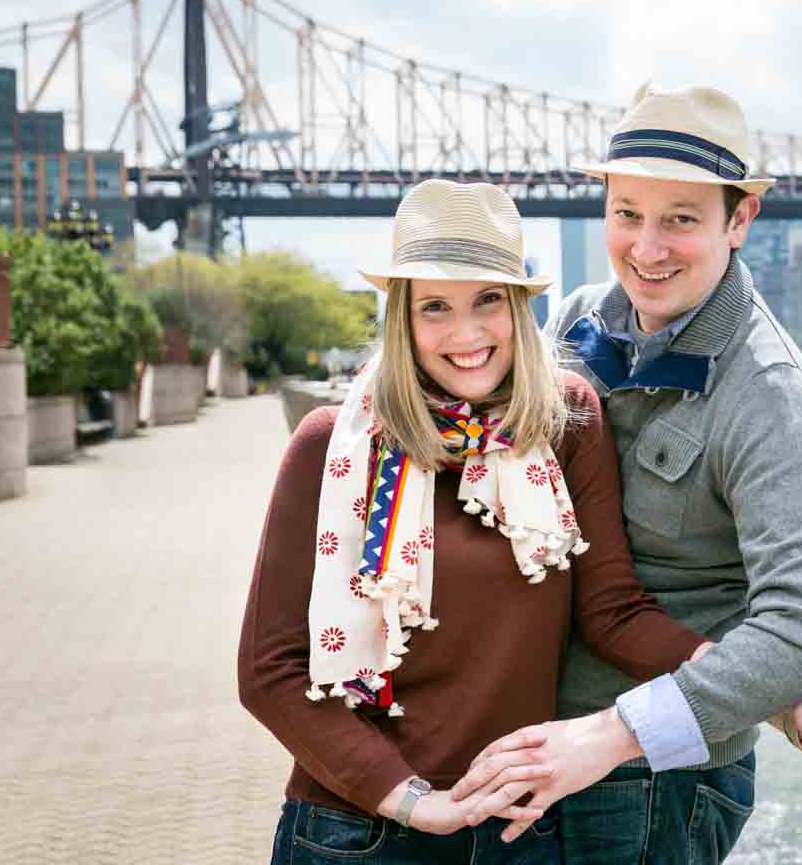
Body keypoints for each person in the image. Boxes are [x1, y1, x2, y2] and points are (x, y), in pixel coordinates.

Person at [237, 179, 716, 863]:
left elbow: (612, 613)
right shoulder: (330, 447)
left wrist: (757, 673)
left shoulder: (567, 421)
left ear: (519, 308)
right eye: (435, 307)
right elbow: (270, 671)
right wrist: (413, 801)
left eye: (487, 300)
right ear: (402, 320)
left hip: (519, 831)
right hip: (356, 831)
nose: (465, 334)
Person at [451, 84, 802, 863]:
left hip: (644, 784)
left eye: (681, 219)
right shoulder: (573, 321)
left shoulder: (766, 393)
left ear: (739, 220)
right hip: (523, 751)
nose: (646, 248)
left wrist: (614, 735)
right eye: (628, 214)